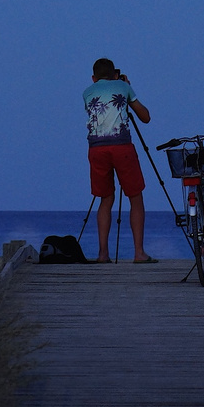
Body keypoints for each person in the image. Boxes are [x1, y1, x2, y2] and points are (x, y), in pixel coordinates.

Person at [83, 57, 154, 263]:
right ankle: (139, 253)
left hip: (96, 149)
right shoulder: (122, 86)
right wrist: (127, 87)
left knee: (105, 199)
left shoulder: (87, 92)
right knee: (135, 197)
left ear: (94, 78)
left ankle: (102, 254)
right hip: (121, 146)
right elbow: (146, 117)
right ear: (115, 74)